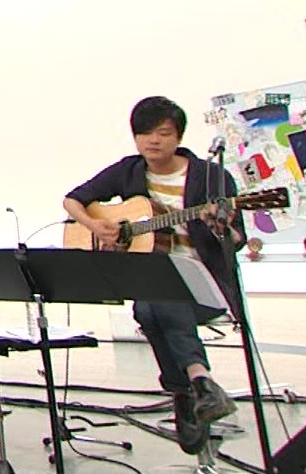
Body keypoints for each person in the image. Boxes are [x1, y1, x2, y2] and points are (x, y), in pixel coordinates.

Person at [62, 96, 242, 456]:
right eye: (144, 134)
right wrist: (95, 225)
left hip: (204, 284)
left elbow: (236, 240)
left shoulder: (211, 177)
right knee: (150, 303)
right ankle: (200, 386)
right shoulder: (129, 171)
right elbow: (72, 200)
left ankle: (184, 392)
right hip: (155, 281)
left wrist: (220, 228)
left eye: (163, 133)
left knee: (154, 303)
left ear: (179, 137)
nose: (153, 141)